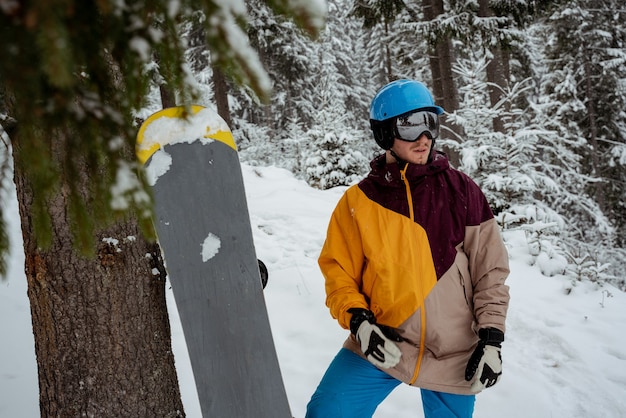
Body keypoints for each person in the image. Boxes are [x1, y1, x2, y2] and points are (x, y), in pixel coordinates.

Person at [305, 79, 510, 418]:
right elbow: (338, 272)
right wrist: (360, 322)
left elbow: (491, 272)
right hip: (383, 341)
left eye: (429, 122)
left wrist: (491, 338)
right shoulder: (359, 202)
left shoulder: (462, 190)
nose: (424, 137)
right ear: (385, 132)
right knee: (326, 412)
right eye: (411, 125)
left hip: (453, 353)